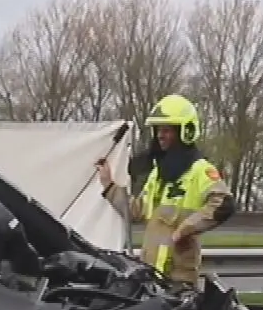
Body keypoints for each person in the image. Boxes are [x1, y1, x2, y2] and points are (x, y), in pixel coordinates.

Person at [98, 94, 236, 287]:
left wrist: (185, 229)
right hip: (151, 276)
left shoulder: (200, 170)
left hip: (179, 280)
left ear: (185, 132)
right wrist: (109, 186)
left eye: (166, 130)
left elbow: (224, 204)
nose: (160, 135)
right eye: (158, 130)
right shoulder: (158, 173)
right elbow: (136, 211)